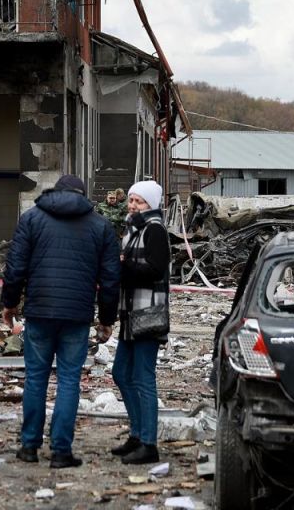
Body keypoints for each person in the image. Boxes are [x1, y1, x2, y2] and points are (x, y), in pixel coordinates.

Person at [2, 174, 121, 469]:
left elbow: (15, 266)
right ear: (83, 195)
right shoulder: (100, 225)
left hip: (39, 310)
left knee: (35, 378)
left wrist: (9, 304)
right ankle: (61, 452)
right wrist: (106, 319)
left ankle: (29, 446)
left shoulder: (31, 219)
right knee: (68, 380)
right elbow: (110, 279)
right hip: (77, 315)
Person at [111, 181, 170, 465]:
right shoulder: (133, 230)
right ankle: (137, 434)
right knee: (121, 373)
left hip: (147, 315)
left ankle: (149, 443)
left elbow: (156, 270)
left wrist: (124, 266)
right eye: (131, 199)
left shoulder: (155, 230)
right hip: (130, 315)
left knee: (143, 378)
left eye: (139, 201)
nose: (133, 205)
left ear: (151, 204)